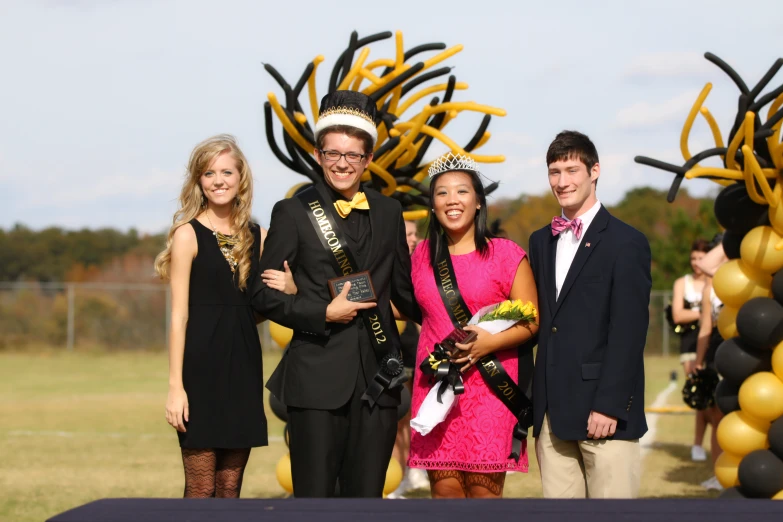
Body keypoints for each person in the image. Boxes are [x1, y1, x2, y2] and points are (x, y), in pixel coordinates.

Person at [251, 90, 420, 498]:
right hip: (316, 380)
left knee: (366, 503)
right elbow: (260, 295)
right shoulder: (292, 211)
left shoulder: (389, 212)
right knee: (315, 504)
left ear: (368, 158)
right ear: (317, 153)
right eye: (333, 153)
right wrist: (322, 312)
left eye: (353, 155)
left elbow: (403, 292)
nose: (343, 163)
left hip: (379, 381)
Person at [154, 135, 294, 498]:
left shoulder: (259, 237)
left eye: (226, 171)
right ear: (198, 181)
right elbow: (178, 316)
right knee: (201, 487)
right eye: (208, 173)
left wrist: (292, 287)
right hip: (199, 374)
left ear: (241, 176)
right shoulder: (188, 234)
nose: (218, 180)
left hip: (244, 368)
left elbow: (258, 309)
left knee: (230, 487)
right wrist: (175, 387)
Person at [527, 130, 652, 499]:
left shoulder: (627, 242)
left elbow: (629, 331)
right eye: (554, 172)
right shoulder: (539, 240)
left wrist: (609, 405)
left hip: (604, 415)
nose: (562, 182)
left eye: (571, 170)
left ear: (594, 171)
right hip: (551, 416)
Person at [407, 152, 539, 499]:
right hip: (437, 387)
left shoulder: (506, 253)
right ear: (433, 205)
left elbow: (532, 319)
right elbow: (397, 306)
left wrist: (487, 344)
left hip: (491, 388)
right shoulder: (420, 256)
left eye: (462, 191)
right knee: (445, 494)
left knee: (484, 497)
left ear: (479, 202)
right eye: (442, 193)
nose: (452, 200)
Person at [389, 221, 429, 498]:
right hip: (396, 353)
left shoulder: (422, 263)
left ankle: (416, 468)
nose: (414, 239)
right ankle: (397, 476)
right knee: (398, 420)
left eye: (416, 234)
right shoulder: (389, 265)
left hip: (421, 353)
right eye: (408, 234)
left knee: (419, 417)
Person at [671, 238, 711, 461]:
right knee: (700, 393)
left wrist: (698, 314)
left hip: (712, 342)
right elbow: (678, 315)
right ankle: (697, 445)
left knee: (715, 397)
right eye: (694, 258)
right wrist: (705, 313)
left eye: (701, 258)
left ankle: (713, 443)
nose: (697, 263)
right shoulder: (682, 283)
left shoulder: (716, 281)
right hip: (690, 344)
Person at [693, 235, 728, 491]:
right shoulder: (712, 287)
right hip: (720, 353)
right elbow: (706, 326)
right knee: (718, 417)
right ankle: (720, 473)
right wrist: (699, 360)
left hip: (749, 347)